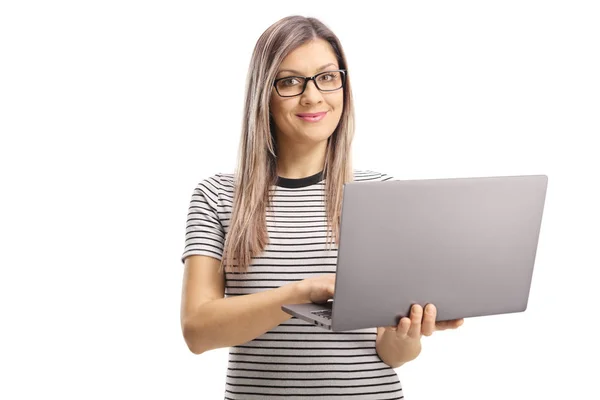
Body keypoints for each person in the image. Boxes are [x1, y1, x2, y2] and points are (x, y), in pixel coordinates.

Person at [180, 15, 464, 399]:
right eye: (290, 81)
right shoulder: (218, 196)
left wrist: (406, 333)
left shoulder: (381, 194)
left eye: (327, 77)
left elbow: (394, 353)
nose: (312, 96)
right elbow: (197, 331)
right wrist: (300, 293)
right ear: (264, 92)